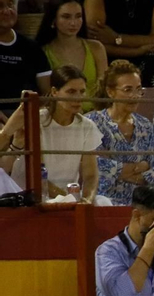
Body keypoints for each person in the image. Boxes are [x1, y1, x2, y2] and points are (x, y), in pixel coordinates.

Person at [0, 64, 98, 201]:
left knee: (103, 202)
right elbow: (39, 175)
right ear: (54, 91)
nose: (78, 97)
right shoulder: (37, 120)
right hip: (34, 194)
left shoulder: (87, 126)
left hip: (67, 197)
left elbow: (90, 175)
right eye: (71, 91)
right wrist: (69, 199)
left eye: (82, 91)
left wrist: (87, 199)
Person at [88, 60, 154, 204]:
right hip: (105, 200)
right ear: (110, 92)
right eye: (128, 90)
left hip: (141, 201)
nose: (135, 96)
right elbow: (99, 169)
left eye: (138, 89)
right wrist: (139, 167)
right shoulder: (94, 122)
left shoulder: (145, 124)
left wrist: (121, 172)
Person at [35, 0, 106, 99]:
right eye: (66, 17)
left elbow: (105, 90)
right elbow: (48, 96)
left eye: (78, 16)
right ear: (54, 20)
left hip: (95, 112)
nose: (73, 23)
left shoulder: (96, 48)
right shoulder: (43, 52)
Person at [0, 0, 47, 116]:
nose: (7, 11)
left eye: (10, 4)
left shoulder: (31, 48)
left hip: (27, 117)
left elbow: (46, 94)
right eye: (0, 6)